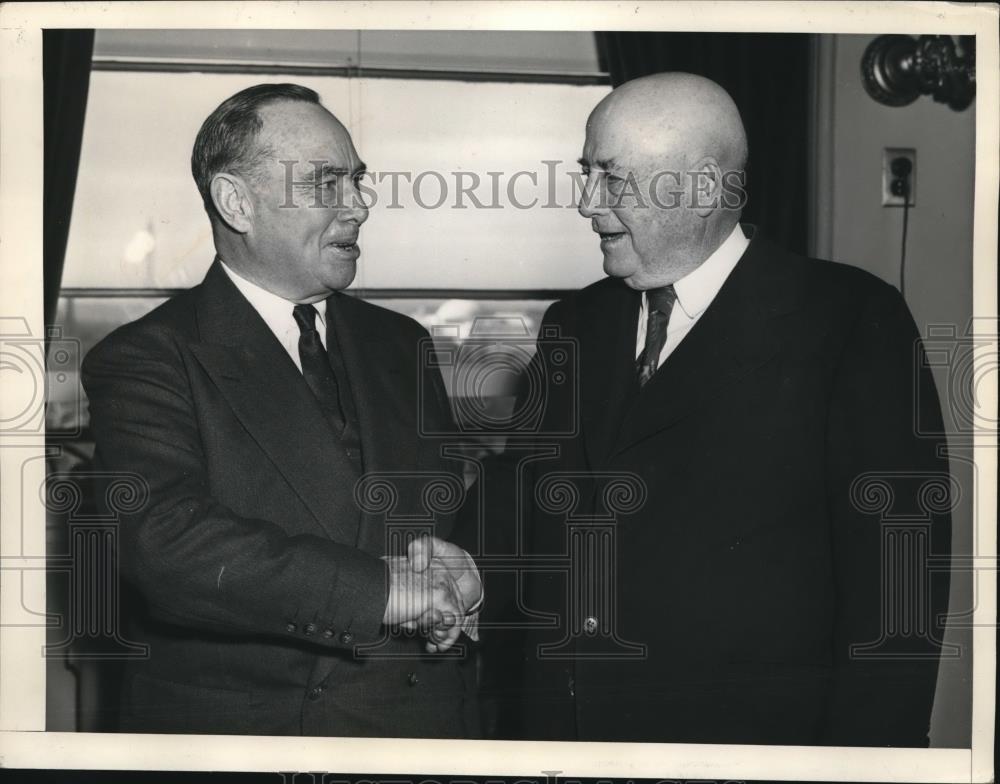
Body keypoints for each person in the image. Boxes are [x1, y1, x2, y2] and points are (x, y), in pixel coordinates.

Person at [497, 72, 951, 746]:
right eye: (584, 172)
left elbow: (898, 588)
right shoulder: (575, 322)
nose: (586, 204)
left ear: (706, 189)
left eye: (612, 179)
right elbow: (520, 505)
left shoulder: (850, 319)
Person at [81, 83, 481, 737]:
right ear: (236, 202)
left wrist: (467, 578)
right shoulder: (147, 357)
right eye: (328, 184)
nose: (360, 207)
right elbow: (164, 544)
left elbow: (444, 518)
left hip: (422, 724)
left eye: (358, 181)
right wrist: (384, 592)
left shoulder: (401, 343)